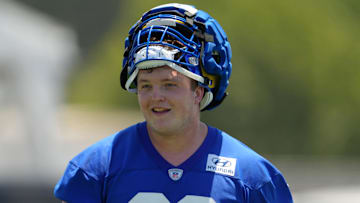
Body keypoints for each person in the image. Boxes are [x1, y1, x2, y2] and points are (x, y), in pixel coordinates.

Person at [54, 3, 293, 203]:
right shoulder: (96, 168)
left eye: (170, 84)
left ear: (198, 91)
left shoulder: (253, 178)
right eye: (146, 85)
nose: (156, 96)